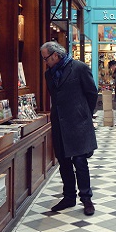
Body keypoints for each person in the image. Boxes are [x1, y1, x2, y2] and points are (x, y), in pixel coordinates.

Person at [40, 41, 98, 216]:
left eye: (46, 58)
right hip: (60, 123)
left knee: (80, 161)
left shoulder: (79, 68)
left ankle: (86, 199)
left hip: (79, 123)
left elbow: (92, 93)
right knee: (64, 162)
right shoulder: (49, 74)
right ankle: (69, 197)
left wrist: (84, 113)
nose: (45, 62)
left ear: (55, 55)